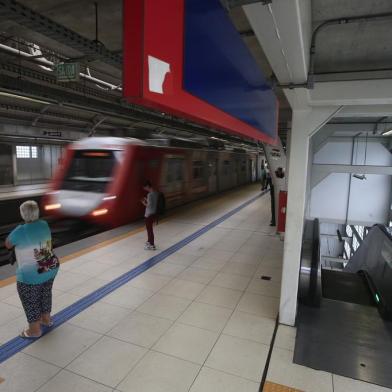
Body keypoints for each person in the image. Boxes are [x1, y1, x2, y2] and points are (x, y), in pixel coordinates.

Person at [5, 200, 59, 338]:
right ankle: (46, 320)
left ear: (23, 214)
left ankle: (34, 331)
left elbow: (8, 244)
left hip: (31, 275)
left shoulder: (20, 230)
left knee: (30, 300)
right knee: (45, 294)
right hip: (50, 266)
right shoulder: (44, 224)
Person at [141, 180, 159, 250]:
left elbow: (149, 205)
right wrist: (147, 200)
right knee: (150, 229)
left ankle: (152, 245)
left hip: (148, 214)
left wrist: (143, 202)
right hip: (153, 213)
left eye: (145, 188)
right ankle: (149, 241)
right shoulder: (156, 193)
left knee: (149, 230)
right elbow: (153, 203)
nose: (145, 189)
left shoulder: (149, 194)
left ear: (147, 186)